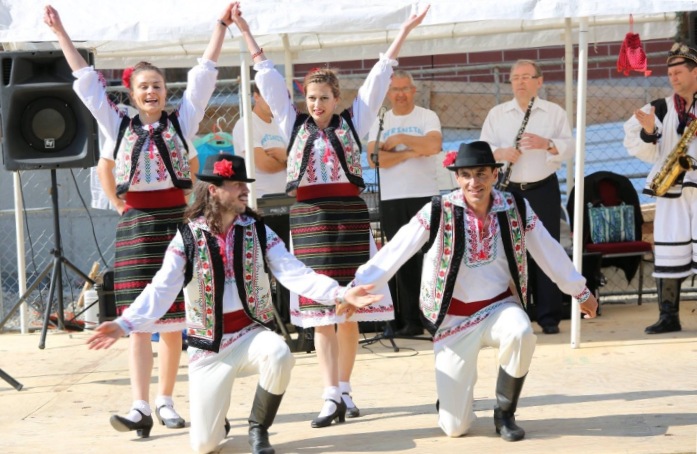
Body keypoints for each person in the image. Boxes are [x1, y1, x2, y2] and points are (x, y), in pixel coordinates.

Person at [86, 153, 383, 454]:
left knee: (279, 354)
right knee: (204, 445)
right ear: (213, 190)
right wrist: (124, 324)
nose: (245, 190)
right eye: (237, 184)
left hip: (250, 337)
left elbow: (295, 272)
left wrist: (340, 294)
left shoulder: (258, 230)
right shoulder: (187, 237)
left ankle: (258, 428)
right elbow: (161, 289)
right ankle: (218, 419)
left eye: (245, 184)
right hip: (208, 349)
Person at [229, 1, 429, 426]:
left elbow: (379, 77)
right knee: (321, 310)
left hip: (349, 219)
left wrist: (404, 31)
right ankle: (329, 394)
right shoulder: (292, 123)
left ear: (337, 99)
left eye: (324, 97)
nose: (317, 103)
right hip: (310, 220)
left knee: (348, 310)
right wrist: (246, 32)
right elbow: (268, 80)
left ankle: (345, 388)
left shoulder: (355, 120)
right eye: (311, 97)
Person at [44, 3, 232, 436]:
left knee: (175, 319)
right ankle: (139, 405)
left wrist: (220, 27)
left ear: (166, 92)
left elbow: (204, 77)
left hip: (176, 223)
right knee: (139, 320)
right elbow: (86, 82)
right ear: (132, 94)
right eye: (144, 86)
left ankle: (166, 400)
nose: (152, 92)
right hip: (136, 226)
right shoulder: (117, 125)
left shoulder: (182, 121)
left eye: (158, 86)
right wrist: (61, 34)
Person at [349, 141, 598, 441]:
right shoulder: (438, 210)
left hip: (498, 308)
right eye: (466, 175)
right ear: (456, 177)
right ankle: (453, 399)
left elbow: (548, 249)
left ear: (494, 174)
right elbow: (398, 248)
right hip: (453, 320)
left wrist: (580, 290)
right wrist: (356, 287)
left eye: (481, 174)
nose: (473, 182)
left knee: (521, 333)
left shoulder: (515, 207)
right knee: (455, 428)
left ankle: (504, 413)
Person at [480, 59, 575, 335]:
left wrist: (548, 144)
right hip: (509, 189)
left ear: (539, 81)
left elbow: (570, 147)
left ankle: (549, 316)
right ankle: (515, 314)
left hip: (543, 188)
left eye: (526, 77)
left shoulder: (554, 112)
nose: (520, 82)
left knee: (547, 248)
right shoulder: (497, 114)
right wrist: (501, 153)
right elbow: (483, 148)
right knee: (510, 250)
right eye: (515, 77)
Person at [623, 42, 697, 334]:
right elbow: (640, 146)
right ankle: (669, 316)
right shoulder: (661, 108)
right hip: (670, 189)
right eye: (669, 74)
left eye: (678, 72)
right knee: (668, 249)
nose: (672, 78)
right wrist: (649, 131)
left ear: (695, 72)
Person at [366, 70, 443, 337]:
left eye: (405, 88)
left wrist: (399, 141)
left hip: (424, 195)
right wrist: (412, 152)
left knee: (430, 257)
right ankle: (409, 320)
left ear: (413, 90)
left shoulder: (427, 116)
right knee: (402, 260)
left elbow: (433, 146)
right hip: (392, 199)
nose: (400, 94)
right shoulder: (380, 121)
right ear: (388, 93)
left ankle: (432, 316)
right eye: (395, 89)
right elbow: (375, 160)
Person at [232, 83, 288, 198]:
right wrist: (289, 160)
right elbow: (265, 165)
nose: (274, 102)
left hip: (285, 198)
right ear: (256, 96)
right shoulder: (246, 124)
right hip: (259, 199)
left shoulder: (280, 125)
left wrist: (286, 157)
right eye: (270, 97)